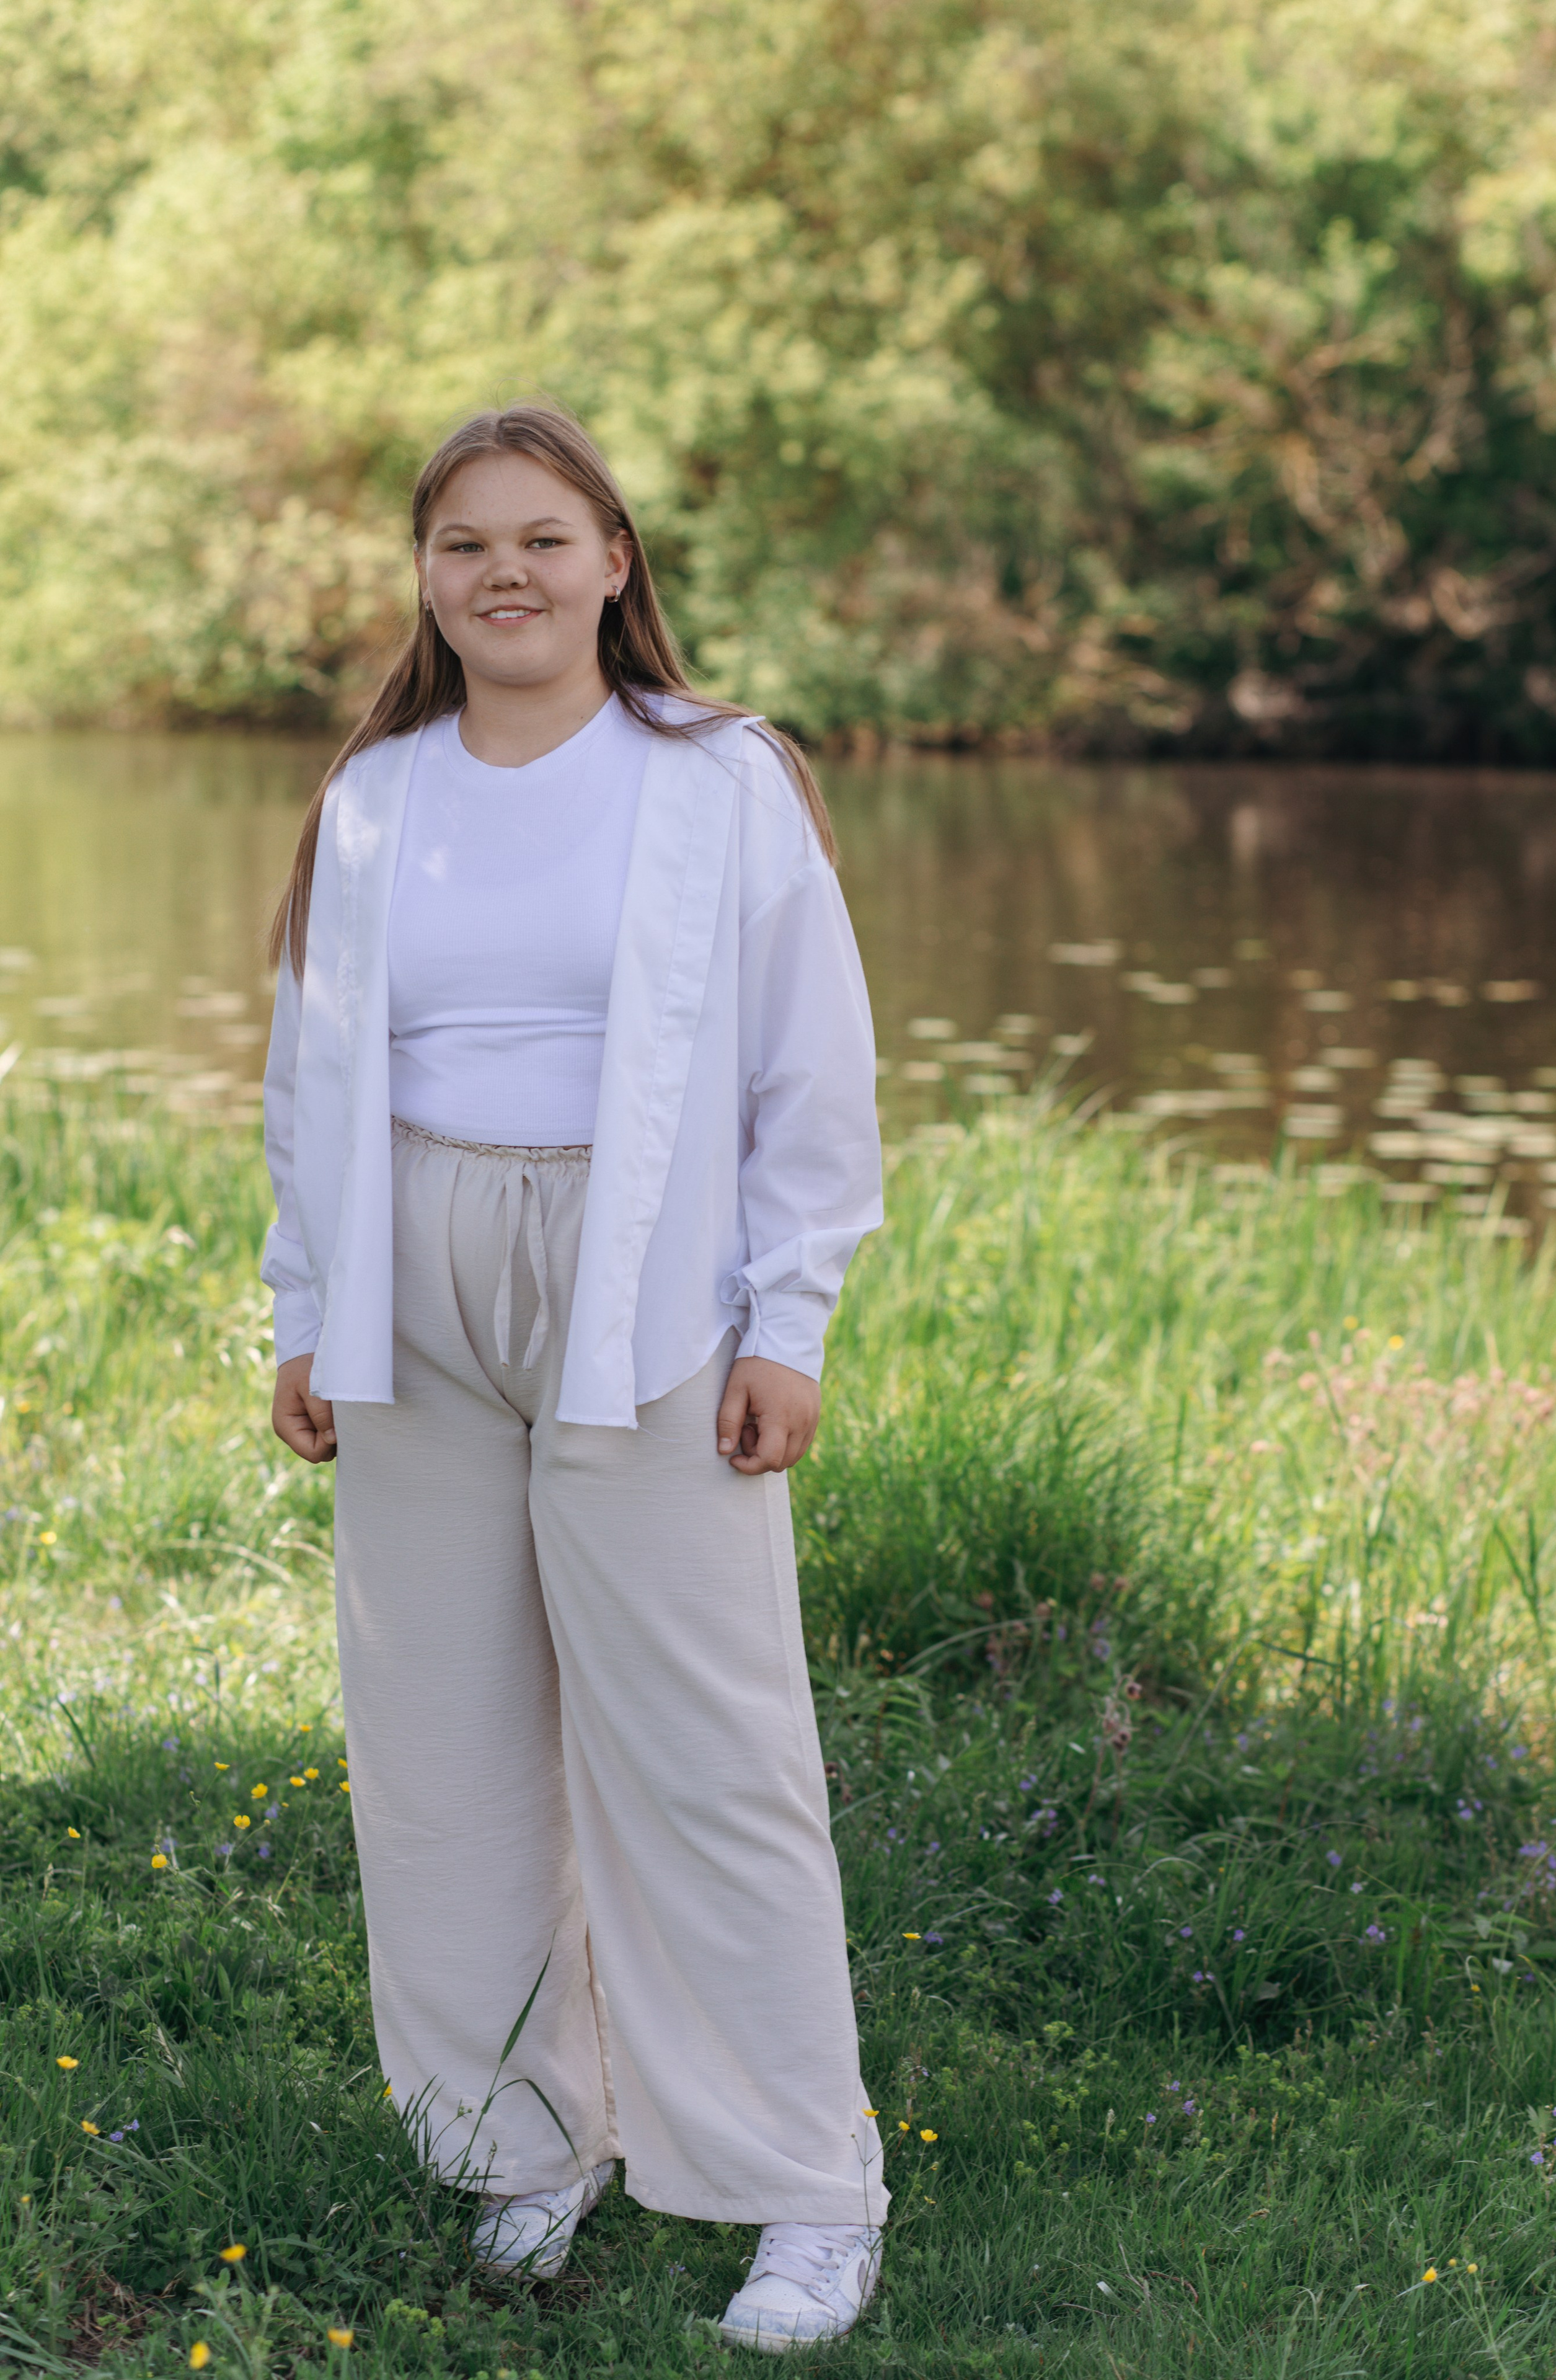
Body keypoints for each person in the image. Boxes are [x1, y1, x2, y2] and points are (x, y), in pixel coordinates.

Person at [260, 404, 887, 2351]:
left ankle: (801, 2191)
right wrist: (307, 1303)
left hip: (643, 1296)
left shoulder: (716, 779)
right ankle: (521, 2145)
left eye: (544, 538)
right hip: (416, 1296)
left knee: (708, 1753)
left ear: (617, 561)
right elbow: (310, 1074)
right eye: (464, 546)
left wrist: (788, 1320)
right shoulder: (378, 795)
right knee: (440, 1746)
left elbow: (813, 1069)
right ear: (426, 580)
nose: (503, 575)